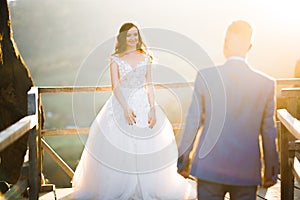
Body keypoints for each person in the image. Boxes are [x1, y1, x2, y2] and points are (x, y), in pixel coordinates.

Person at [71, 22, 196, 200]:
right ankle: (118, 187)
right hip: (121, 103)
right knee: (120, 144)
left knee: (148, 144)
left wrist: (152, 108)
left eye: (135, 35)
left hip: (143, 104)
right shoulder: (115, 59)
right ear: (123, 38)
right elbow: (115, 86)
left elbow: (149, 84)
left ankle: (145, 187)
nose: (132, 38)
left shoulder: (145, 57)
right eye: (129, 35)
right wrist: (125, 108)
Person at [177, 20, 278, 200]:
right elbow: (269, 131)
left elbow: (193, 121)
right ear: (250, 47)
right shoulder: (266, 84)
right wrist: (271, 170)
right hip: (247, 169)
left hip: (209, 167)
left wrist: (183, 160)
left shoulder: (206, 77)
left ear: (226, 43)